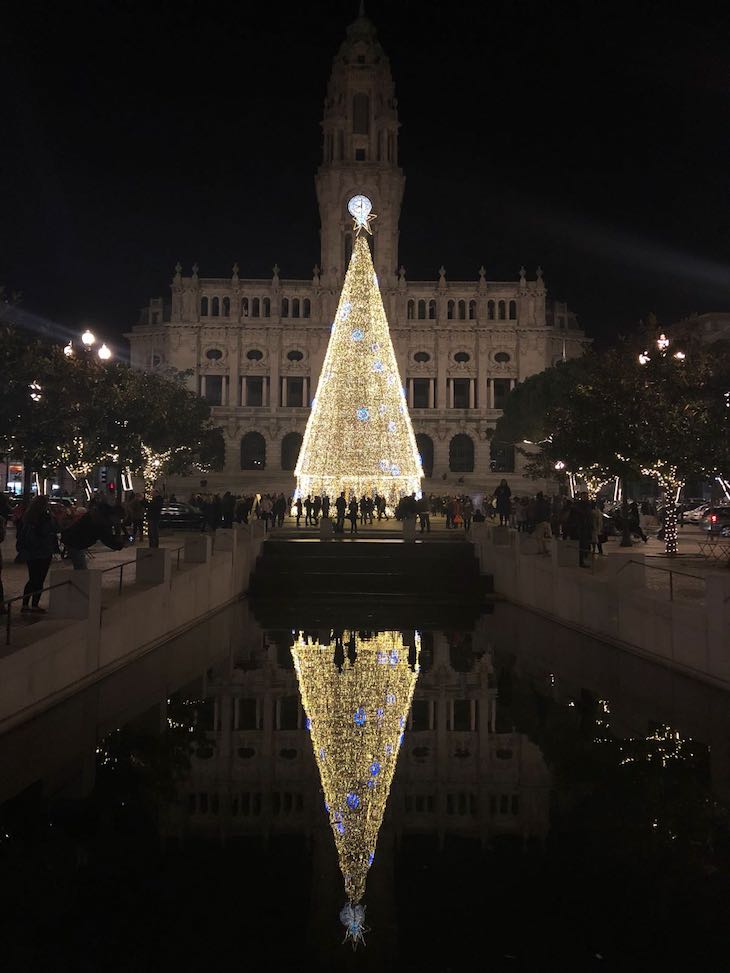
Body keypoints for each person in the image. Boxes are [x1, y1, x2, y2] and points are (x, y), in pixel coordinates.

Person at [16, 496, 58, 613]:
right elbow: (51, 530)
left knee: (33, 579)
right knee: (39, 579)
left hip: (32, 552)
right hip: (43, 551)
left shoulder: (28, 517)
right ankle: (34, 604)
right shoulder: (45, 518)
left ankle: (26, 604)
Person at [61, 502, 127, 568]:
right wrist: (120, 545)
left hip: (76, 540)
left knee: (80, 568)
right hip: (75, 542)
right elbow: (107, 539)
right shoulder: (101, 521)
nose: (118, 522)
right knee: (81, 570)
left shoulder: (101, 514)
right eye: (119, 519)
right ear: (115, 515)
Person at [533, 491, 552, 555]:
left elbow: (536, 513)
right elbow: (549, 511)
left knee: (539, 537)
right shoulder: (546, 503)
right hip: (546, 521)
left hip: (540, 521)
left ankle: (541, 550)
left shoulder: (537, 504)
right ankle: (546, 549)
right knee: (545, 536)